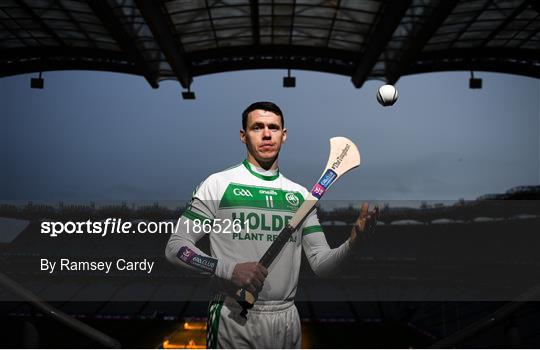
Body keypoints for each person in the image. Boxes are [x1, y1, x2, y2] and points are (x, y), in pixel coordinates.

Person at [165, 101, 378, 348]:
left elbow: (322, 265)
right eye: (257, 127)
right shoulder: (218, 184)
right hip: (234, 316)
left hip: (287, 319)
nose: (267, 134)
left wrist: (353, 245)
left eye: (273, 127)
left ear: (283, 135)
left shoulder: (299, 195)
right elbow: (175, 247)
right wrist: (228, 269)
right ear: (243, 136)